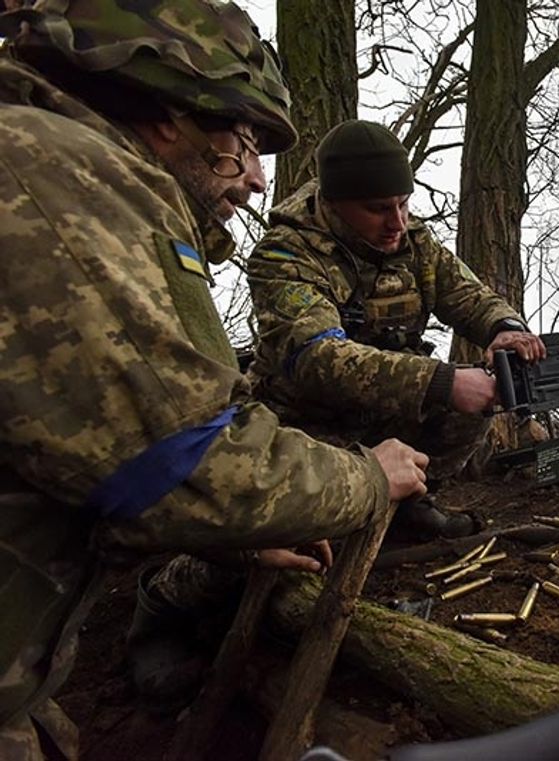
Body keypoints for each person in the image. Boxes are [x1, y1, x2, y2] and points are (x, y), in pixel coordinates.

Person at [0, 3, 427, 758]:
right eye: (246, 144)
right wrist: (365, 478)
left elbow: (73, 448)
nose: (258, 179)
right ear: (171, 115)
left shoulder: (53, 163)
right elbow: (184, 466)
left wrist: (498, 331)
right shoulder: (58, 179)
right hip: (289, 442)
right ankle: (154, 626)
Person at [245, 119, 546, 538]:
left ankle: (407, 507)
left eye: (404, 204)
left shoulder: (414, 241)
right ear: (334, 202)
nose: (397, 222)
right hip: (306, 424)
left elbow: (467, 294)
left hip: (387, 412)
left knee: (474, 402)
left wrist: (504, 326)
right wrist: (441, 381)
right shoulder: (282, 256)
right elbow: (317, 359)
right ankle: (332, 521)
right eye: (378, 209)